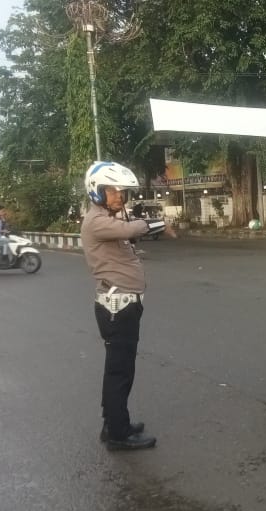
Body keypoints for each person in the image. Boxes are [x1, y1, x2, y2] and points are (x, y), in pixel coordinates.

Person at [81, 161, 176, 450]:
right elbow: (132, 228)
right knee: (119, 372)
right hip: (116, 308)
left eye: (121, 191)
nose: (118, 196)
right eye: (112, 191)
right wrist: (159, 224)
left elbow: (128, 231)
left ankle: (114, 422)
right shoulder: (97, 221)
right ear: (96, 192)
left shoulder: (108, 219)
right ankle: (117, 433)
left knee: (120, 370)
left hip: (122, 305)